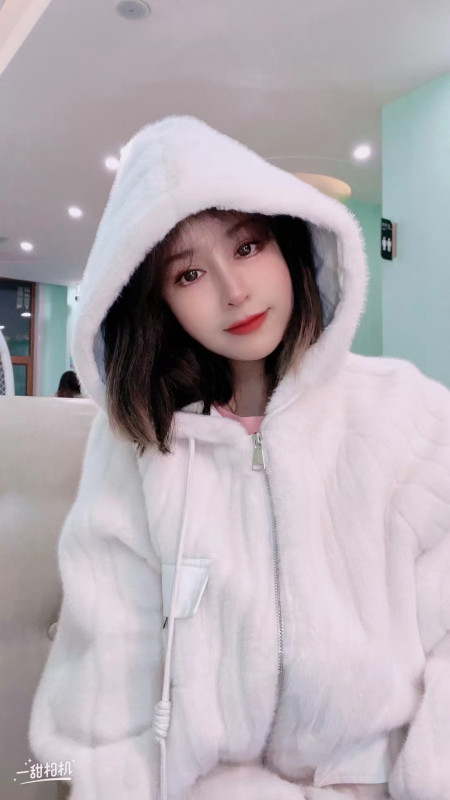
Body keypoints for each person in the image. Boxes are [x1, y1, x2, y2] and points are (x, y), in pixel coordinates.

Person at [28, 117, 450, 800]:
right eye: (190, 273)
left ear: (288, 242)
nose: (234, 290)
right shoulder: (138, 449)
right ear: (159, 302)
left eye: (248, 245)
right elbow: (105, 675)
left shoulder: (409, 413)